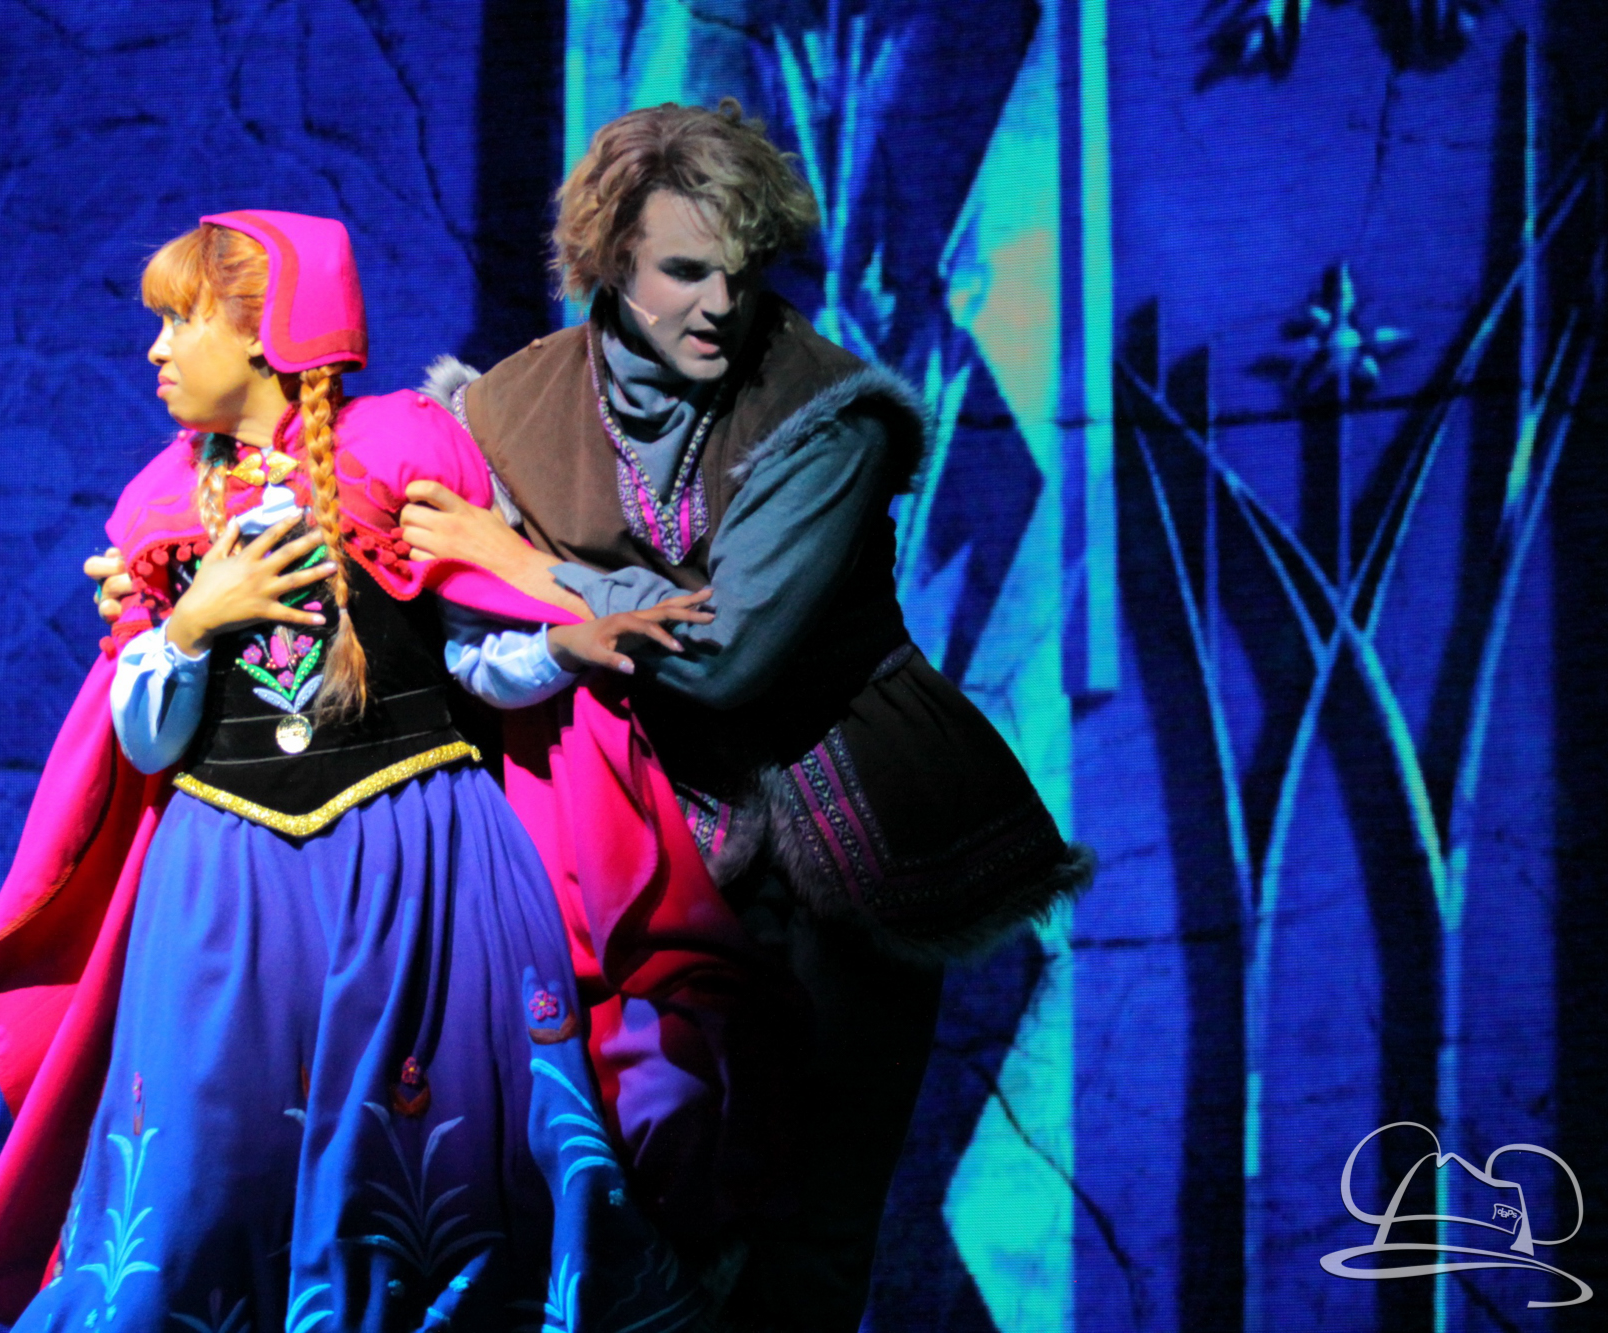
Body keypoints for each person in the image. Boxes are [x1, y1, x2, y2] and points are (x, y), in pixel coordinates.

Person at [0, 211, 707, 1333]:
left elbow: (471, 655)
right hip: (225, 877)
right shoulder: (158, 507)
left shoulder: (399, 448)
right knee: (207, 1156)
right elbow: (146, 741)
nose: (155, 349)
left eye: (180, 321)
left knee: (417, 1161)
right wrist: (192, 623)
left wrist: (560, 644)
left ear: (261, 332)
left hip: (418, 859)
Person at [394, 103, 1095, 1332]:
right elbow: (433, 604)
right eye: (683, 270)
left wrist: (517, 560)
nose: (719, 302)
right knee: (621, 1214)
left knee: (806, 1230)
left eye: (741, 269)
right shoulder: (507, 407)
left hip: (846, 824)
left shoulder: (828, 416)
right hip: (622, 837)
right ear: (611, 258)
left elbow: (723, 659)